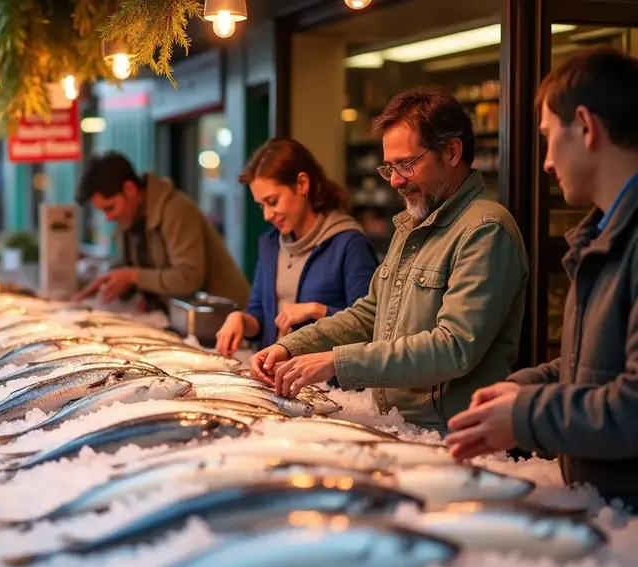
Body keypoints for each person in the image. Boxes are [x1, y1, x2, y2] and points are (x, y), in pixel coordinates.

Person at [250, 86, 529, 433]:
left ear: (453, 151)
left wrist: (336, 362)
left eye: (406, 164)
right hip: (399, 426)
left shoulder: (486, 230)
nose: (395, 180)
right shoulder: (412, 224)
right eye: (389, 167)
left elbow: (454, 347)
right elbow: (370, 313)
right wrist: (290, 347)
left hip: (452, 436)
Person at [447, 48, 638, 508]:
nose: (547, 163)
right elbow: (589, 370)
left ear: (587, 128)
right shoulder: (602, 236)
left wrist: (526, 416)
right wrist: (524, 387)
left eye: (550, 137)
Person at [215, 139, 379, 357]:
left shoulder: (349, 243)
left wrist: (316, 310)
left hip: (326, 385)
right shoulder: (270, 243)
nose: (266, 215)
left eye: (272, 201)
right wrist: (241, 320)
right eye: (261, 205)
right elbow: (260, 317)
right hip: (274, 376)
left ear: (302, 184)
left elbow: (371, 326)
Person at [72, 151, 251, 310]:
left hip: (228, 321)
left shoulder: (176, 210)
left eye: (109, 208)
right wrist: (112, 281)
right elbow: (126, 268)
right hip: (188, 322)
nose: (108, 218)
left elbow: (189, 277)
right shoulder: (130, 219)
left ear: (129, 189)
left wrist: (133, 276)